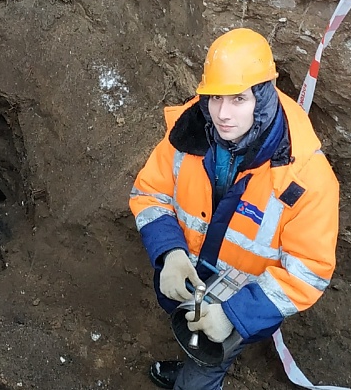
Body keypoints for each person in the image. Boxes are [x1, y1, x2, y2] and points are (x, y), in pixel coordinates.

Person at [129, 27, 339, 389]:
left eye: (238, 99)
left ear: (263, 96)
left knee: (204, 371)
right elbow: (150, 194)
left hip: (245, 302)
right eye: (215, 98)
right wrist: (170, 253)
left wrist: (234, 315)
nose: (223, 114)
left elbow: (308, 271)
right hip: (191, 280)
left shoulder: (307, 178)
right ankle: (191, 366)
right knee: (193, 336)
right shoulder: (189, 134)